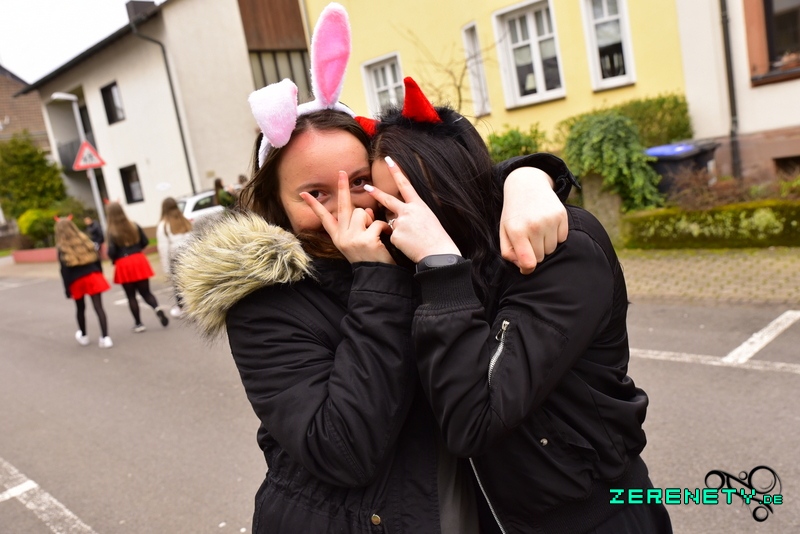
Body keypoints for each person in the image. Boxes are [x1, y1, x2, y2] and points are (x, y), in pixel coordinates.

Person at [173, 4, 574, 532]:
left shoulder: (412, 241)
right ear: (275, 206)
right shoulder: (263, 303)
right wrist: (376, 277)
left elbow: (463, 182)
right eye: (315, 194)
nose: (348, 206)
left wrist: (529, 178)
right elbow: (344, 451)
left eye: (360, 181)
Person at [333, 77, 672, 533]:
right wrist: (530, 171)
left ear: (445, 185)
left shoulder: (561, 250)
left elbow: (473, 421)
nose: (396, 222)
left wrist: (442, 265)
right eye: (385, 205)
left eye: (405, 199)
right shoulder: (427, 260)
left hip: (598, 517)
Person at [106, 201, 169, 332]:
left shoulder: (111, 231)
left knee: (131, 296)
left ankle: (139, 323)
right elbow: (145, 241)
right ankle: (156, 307)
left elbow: (111, 252)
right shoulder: (134, 225)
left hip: (123, 263)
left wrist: (115, 257)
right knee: (146, 292)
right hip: (138, 259)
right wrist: (135, 249)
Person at [55, 217, 113, 349]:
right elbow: (97, 258)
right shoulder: (85, 240)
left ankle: (84, 336)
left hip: (77, 280)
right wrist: (100, 273)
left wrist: (67, 289)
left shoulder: (62, 247)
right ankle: (106, 338)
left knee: (80, 309)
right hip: (93, 276)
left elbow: (64, 270)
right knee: (99, 307)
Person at [156, 197, 193, 318]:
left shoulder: (163, 226)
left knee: (178, 285)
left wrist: (166, 268)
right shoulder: (184, 221)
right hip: (190, 255)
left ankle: (181, 308)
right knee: (191, 282)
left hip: (176, 258)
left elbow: (163, 249)